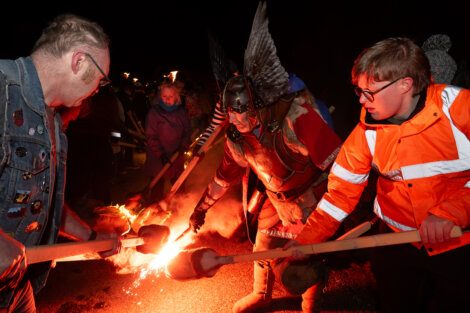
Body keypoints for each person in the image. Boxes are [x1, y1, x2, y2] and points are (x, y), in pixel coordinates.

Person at [289, 37, 470, 313]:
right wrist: (307, 240)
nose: (362, 100)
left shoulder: (459, 109)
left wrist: (453, 211)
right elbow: (340, 194)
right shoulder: (367, 131)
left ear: (405, 84)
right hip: (394, 242)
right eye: (358, 90)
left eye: (369, 92)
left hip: (458, 243)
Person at [187, 3, 342, 312]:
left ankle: (311, 303)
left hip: (310, 194)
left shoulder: (296, 117)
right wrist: (201, 208)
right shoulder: (237, 137)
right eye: (231, 113)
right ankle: (261, 293)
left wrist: (327, 211)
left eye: (241, 110)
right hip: (276, 194)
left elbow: (340, 165)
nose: (236, 118)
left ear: (255, 104)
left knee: (305, 254)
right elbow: (223, 176)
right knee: (263, 243)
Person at [0, 14, 120, 312]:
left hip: (17, 288)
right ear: (78, 61)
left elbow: (46, 205)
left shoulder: (52, 121)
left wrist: (93, 239)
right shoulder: (2, 92)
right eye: (101, 80)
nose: (97, 90)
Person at [143, 80, 191, 202]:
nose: (167, 99)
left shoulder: (181, 113)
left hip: (176, 155)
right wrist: (161, 155)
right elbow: (151, 136)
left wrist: (183, 146)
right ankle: (154, 212)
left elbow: (187, 132)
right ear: (160, 96)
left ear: (176, 97)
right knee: (157, 188)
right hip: (158, 157)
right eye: (164, 96)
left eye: (170, 96)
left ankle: (181, 210)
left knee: (179, 186)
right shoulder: (154, 113)